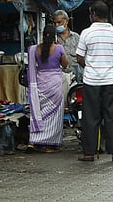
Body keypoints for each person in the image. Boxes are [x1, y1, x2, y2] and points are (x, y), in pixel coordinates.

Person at [76, 0, 113, 162]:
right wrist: (111, 67)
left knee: (90, 117)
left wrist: (91, 66)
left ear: (94, 14)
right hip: (111, 80)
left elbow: (79, 57)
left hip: (91, 81)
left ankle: (89, 153)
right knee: (112, 116)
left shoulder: (86, 33)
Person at [27, 25, 68, 153]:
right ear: (55, 35)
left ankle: (33, 141)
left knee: (39, 112)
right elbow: (65, 65)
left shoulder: (34, 49)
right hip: (54, 84)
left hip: (40, 83)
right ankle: (50, 143)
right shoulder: (59, 48)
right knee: (54, 115)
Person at [53, 10, 82, 102]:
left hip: (76, 76)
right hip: (59, 77)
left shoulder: (76, 37)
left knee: (75, 102)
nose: (57, 25)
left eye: (59, 22)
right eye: (55, 23)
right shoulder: (53, 39)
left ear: (66, 21)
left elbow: (81, 56)